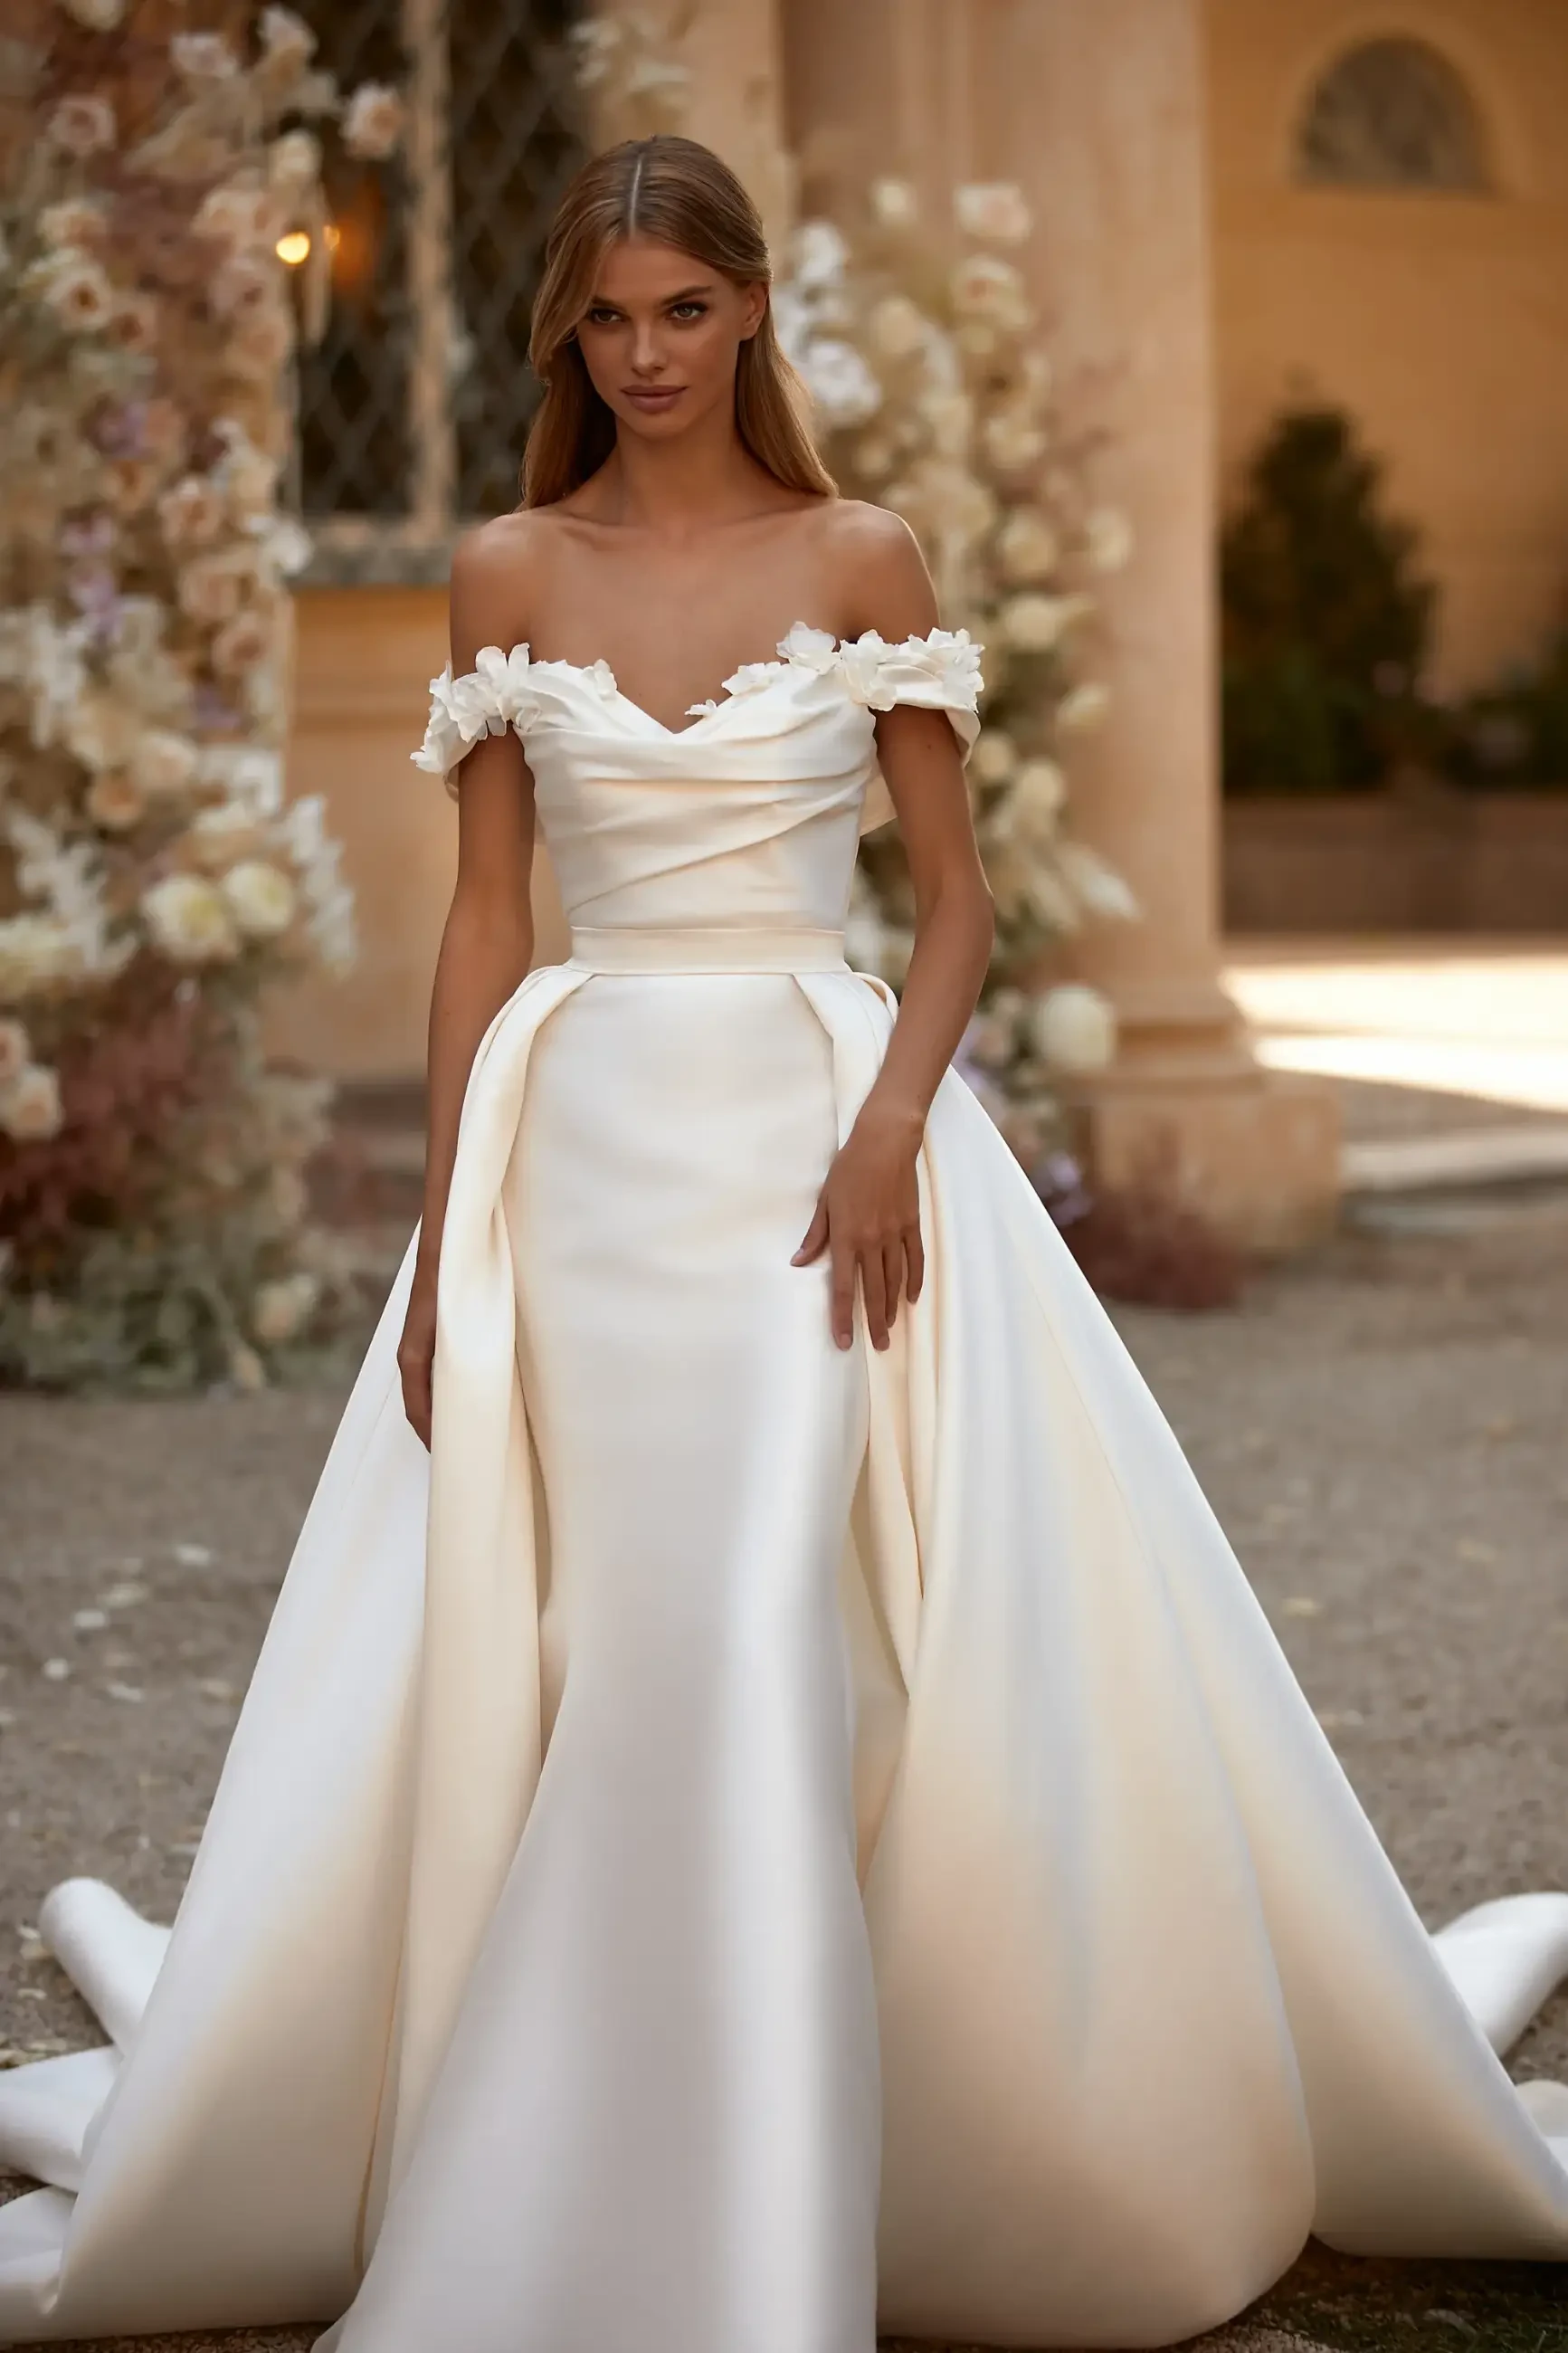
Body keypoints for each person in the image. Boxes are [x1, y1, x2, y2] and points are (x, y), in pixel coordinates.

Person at [1, 132, 1565, 2353]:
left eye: (683, 311)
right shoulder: (499, 569)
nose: (643, 356)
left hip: (816, 1150)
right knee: (605, 1641)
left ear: (747, 313)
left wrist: (893, 1126)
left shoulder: (859, 551)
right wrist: (453, 1228)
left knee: (751, 1621)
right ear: (565, 333)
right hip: (586, 1143)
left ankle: (769, 2193)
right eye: (604, 321)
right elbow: (479, 922)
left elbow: (953, 901)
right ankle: (592, 2145)